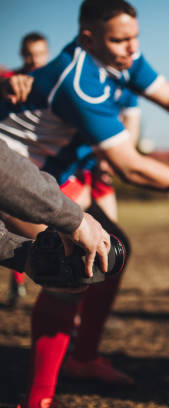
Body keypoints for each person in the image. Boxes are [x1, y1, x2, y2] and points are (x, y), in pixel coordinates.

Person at [0, 1, 169, 406]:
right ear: (89, 37)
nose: (132, 47)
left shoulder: (123, 57)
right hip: (14, 178)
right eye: (120, 39)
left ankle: (84, 357)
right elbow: (135, 169)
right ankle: (38, 398)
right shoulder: (79, 80)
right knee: (69, 265)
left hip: (50, 176)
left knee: (111, 250)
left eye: (135, 37)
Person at [0, 137, 110, 280]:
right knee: (70, 254)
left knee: (67, 261)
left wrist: (24, 257)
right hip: (29, 181)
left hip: (43, 181)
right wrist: (74, 220)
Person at [1, 32, 51, 306]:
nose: (35, 60)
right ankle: (24, 282)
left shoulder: (53, 83)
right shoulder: (12, 80)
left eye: (40, 54)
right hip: (12, 166)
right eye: (30, 54)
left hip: (48, 167)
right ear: (22, 54)